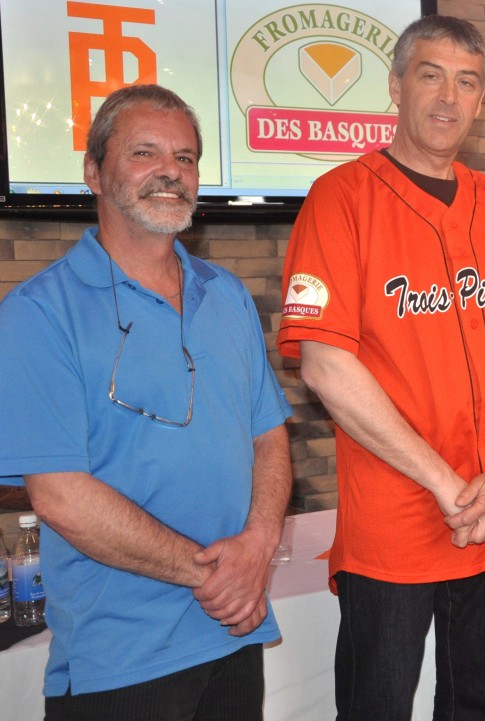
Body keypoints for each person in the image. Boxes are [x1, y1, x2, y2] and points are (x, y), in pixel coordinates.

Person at [275, 15, 485, 721]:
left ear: (481, 98)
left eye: (467, 82)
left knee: (477, 705)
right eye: (431, 75)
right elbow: (324, 363)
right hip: (397, 526)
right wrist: (445, 482)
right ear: (397, 86)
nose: (448, 96)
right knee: (376, 708)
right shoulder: (341, 198)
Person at [0, 84, 293, 720]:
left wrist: (262, 540)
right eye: (145, 152)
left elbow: (267, 435)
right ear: (92, 172)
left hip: (233, 631)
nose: (171, 171)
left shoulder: (229, 296)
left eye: (185, 158)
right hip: (122, 659)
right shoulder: (38, 314)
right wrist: (212, 576)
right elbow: (59, 494)